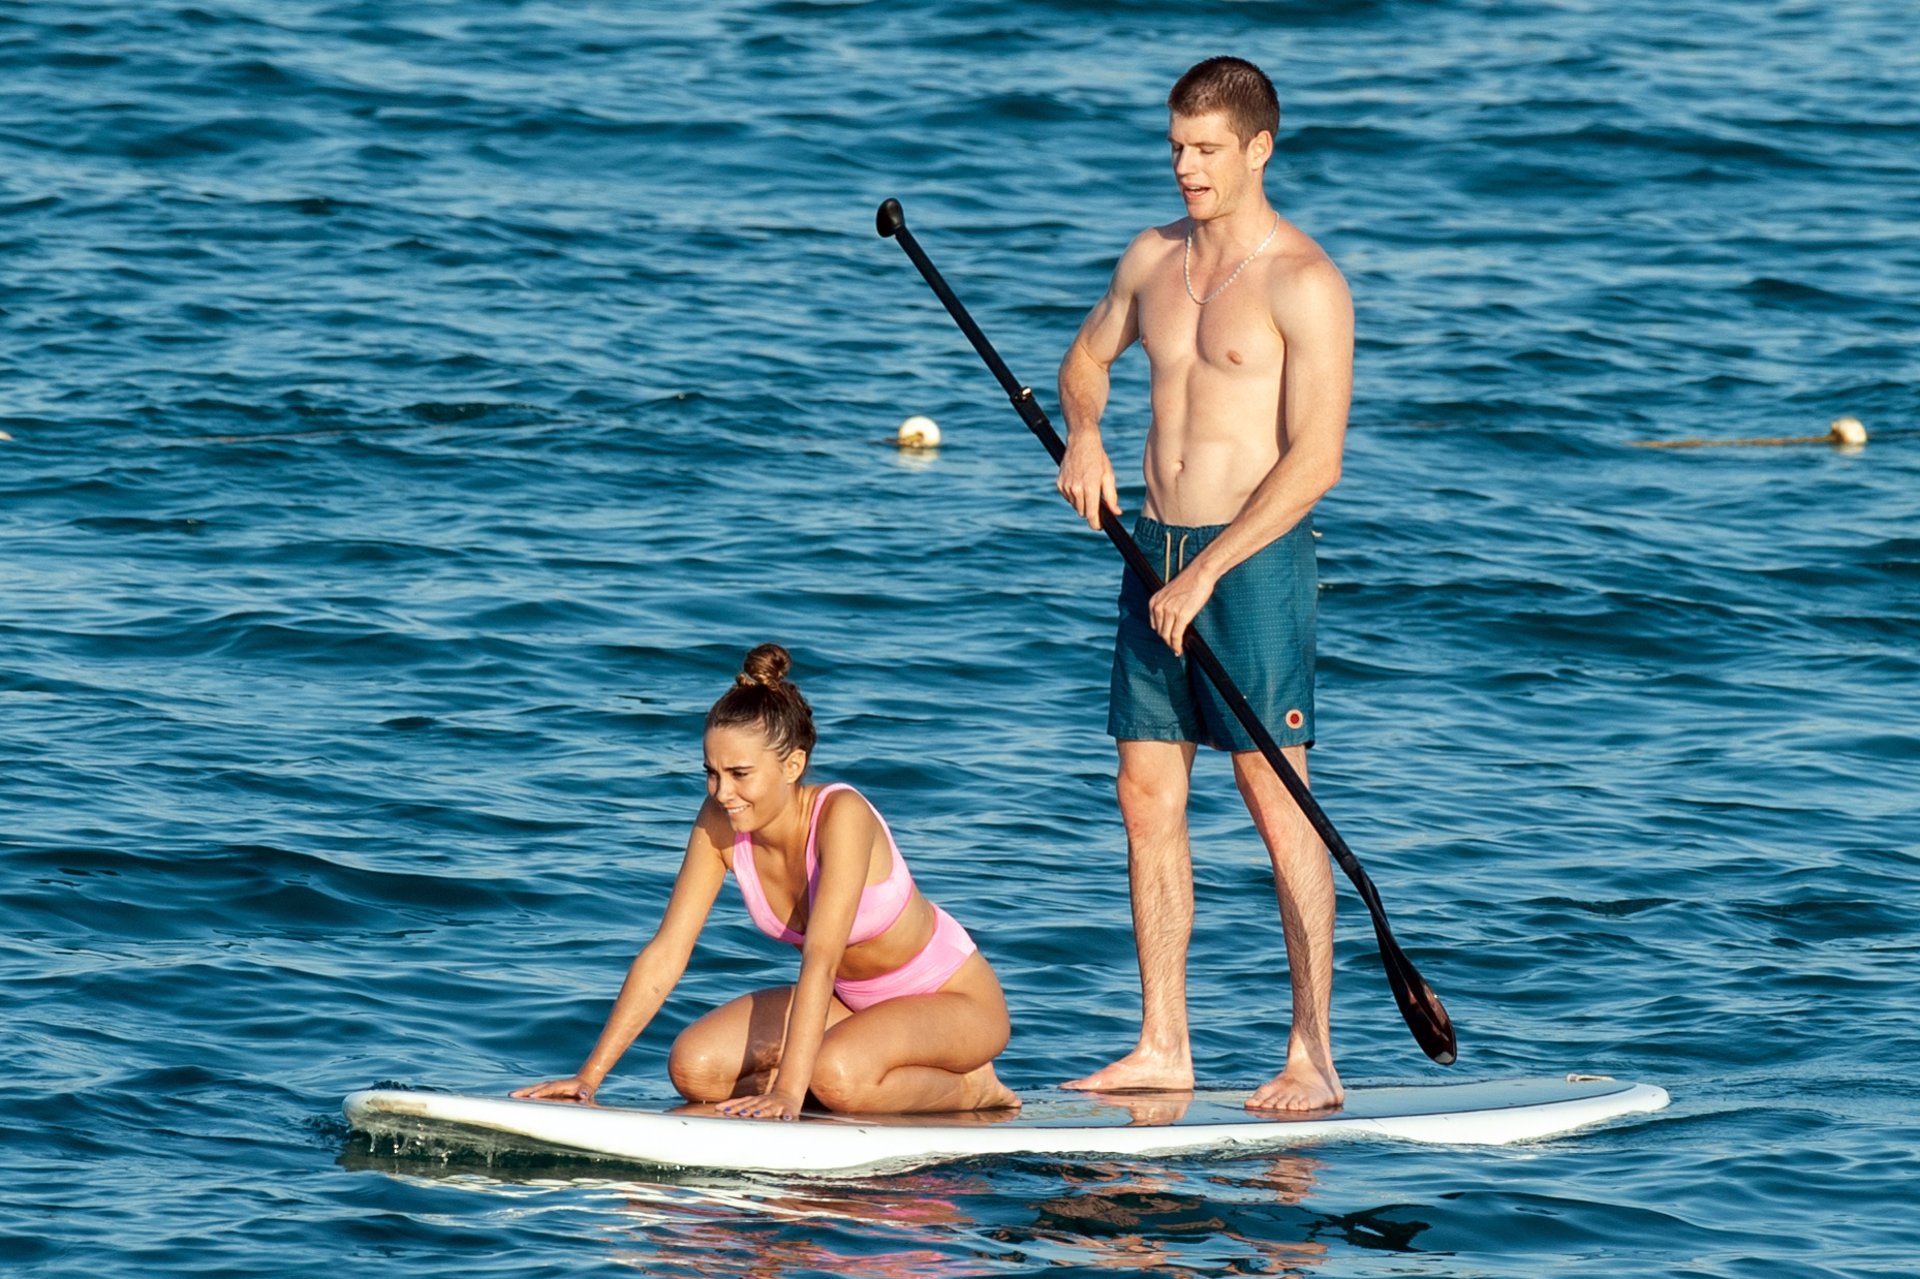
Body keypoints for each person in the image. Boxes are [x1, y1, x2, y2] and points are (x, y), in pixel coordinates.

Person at [1053, 56, 1352, 1112]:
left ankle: (1312, 1055)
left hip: (1252, 562)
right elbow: (1084, 360)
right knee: (1145, 797)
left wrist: (1211, 571)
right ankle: (1163, 1042)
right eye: (1176, 146)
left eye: (1206, 150)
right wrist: (1085, 436)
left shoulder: (1303, 281)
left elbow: (1316, 463)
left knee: (1278, 800)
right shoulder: (1153, 259)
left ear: (1259, 149)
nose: (1185, 167)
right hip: (1151, 553)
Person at [515, 644, 1018, 1118]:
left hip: (951, 1002)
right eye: (710, 773)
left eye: (739, 774)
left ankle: (974, 1086)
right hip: (849, 1006)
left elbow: (821, 958)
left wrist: (787, 1092)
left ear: (793, 765)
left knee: (837, 1077)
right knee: (695, 1069)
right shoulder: (720, 820)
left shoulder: (842, 814)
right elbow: (668, 950)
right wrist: (589, 1077)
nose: (723, 792)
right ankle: (838, 1075)